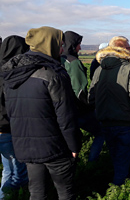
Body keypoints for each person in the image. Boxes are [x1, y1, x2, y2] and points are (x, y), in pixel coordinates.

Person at [2, 26, 82, 199]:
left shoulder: (13, 74)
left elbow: (12, 112)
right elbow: (66, 116)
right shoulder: (53, 74)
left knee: (37, 192)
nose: (62, 48)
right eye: (59, 44)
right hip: (55, 147)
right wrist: (74, 146)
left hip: (25, 147)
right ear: (49, 44)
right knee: (65, 192)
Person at [88, 36, 130, 186]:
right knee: (124, 156)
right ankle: (119, 186)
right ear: (125, 50)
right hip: (125, 121)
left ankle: (112, 181)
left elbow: (91, 96)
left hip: (105, 121)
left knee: (114, 153)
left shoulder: (99, 69)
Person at [61, 31, 104, 162]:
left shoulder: (58, 59)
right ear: (72, 45)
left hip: (61, 108)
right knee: (101, 132)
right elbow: (79, 90)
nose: (80, 48)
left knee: (68, 138)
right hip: (77, 109)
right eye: (78, 44)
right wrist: (88, 107)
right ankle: (92, 162)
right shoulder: (73, 62)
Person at [0, 36, 29, 199]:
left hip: (2, 132)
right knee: (19, 176)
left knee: (8, 171)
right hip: (8, 129)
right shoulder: (11, 75)